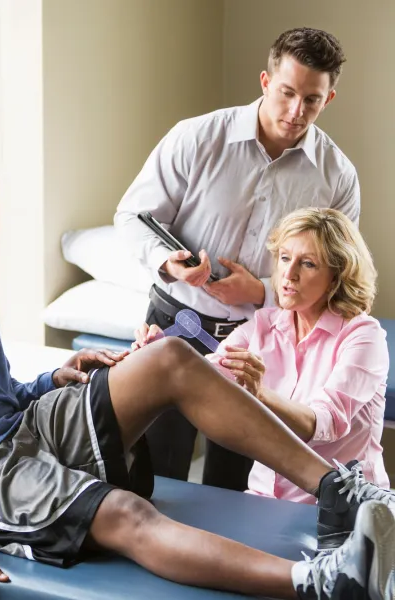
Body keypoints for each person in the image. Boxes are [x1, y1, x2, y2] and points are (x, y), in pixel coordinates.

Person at [0, 149, 394, 600]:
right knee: (128, 511)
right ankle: (319, 584)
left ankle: (338, 489)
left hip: (26, 426)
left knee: (169, 356)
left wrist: (51, 380)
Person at [113, 27, 361, 492]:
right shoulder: (196, 137)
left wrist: (263, 291)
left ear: (328, 100)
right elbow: (131, 215)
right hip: (173, 331)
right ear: (266, 82)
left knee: (238, 488)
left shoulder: (338, 177)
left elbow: (338, 276)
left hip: (261, 348)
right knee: (156, 482)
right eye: (287, 93)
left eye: (311, 99)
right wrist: (169, 262)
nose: (295, 111)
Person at [135, 208, 389, 515]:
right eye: (284, 258)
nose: (288, 274)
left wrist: (261, 394)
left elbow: (325, 423)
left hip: (342, 509)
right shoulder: (263, 324)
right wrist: (155, 354)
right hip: (261, 499)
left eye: (307, 263)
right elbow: (206, 374)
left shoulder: (363, 336)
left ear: (337, 275)